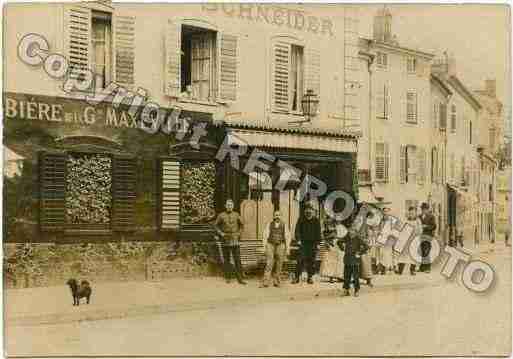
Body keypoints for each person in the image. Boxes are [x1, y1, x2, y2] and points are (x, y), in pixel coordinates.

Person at [215, 199, 246, 285]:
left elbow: (242, 225)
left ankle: (240, 279)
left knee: (237, 260)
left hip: (235, 240)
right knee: (227, 260)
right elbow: (215, 226)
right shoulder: (221, 215)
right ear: (225, 206)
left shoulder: (236, 215)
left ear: (233, 206)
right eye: (228, 205)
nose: (229, 206)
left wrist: (238, 234)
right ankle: (228, 277)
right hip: (225, 240)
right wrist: (221, 234)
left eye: (231, 205)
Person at [293, 202, 322, 284]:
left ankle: (310, 277)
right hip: (303, 244)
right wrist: (298, 239)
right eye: (307, 210)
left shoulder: (316, 221)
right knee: (300, 260)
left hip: (313, 244)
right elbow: (297, 230)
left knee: (311, 261)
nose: (308, 212)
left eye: (310, 210)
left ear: (313, 211)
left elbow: (318, 233)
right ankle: (296, 277)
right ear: (305, 211)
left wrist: (318, 243)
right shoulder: (301, 219)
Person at [261, 211, 290, 288]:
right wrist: (264, 247)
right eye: (276, 215)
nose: (277, 216)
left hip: (280, 244)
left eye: (278, 215)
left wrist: (287, 248)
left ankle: (277, 281)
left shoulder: (284, 225)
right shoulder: (269, 224)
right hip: (270, 244)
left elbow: (287, 237)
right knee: (269, 263)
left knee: (279, 263)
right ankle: (265, 281)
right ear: (273, 216)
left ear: (281, 216)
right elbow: (265, 235)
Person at [338, 227, 369, 297]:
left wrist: (360, 253)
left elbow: (366, 246)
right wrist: (342, 248)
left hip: (355, 260)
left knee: (355, 276)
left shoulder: (358, 239)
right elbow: (339, 242)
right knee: (346, 276)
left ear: (355, 232)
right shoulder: (346, 237)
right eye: (350, 232)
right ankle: (346, 290)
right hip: (347, 259)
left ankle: (356, 290)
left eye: (353, 232)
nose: (351, 233)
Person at [319, 218, 346, 283]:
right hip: (329, 245)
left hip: (336, 245)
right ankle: (330, 277)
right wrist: (327, 242)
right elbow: (324, 238)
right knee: (329, 261)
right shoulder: (325, 231)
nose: (329, 226)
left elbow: (338, 236)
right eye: (327, 224)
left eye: (330, 224)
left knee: (338, 261)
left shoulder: (337, 229)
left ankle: (338, 276)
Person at [397, 206, 421, 275]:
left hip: (414, 239)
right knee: (402, 256)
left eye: (413, 212)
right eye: (410, 212)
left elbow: (420, 230)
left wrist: (416, 232)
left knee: (413, 255)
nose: (411, 214)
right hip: (406, 240)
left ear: (415, 213)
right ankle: (400, 270)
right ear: (408, 213)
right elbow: (401, 228)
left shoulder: (418, 221)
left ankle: (412, 270)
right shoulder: (405, 220)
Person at [419, 202, 437, 273]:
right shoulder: (419, 216)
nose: (423, 210)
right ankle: (422, 268)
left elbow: (434, 226)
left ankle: (428, 268)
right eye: (422, 209)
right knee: (422, 251)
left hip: (428, 235)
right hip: (421, 236)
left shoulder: (431, 216)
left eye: (425, 209)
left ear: (427, 209)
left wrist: (426, 226)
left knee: (427, 251)